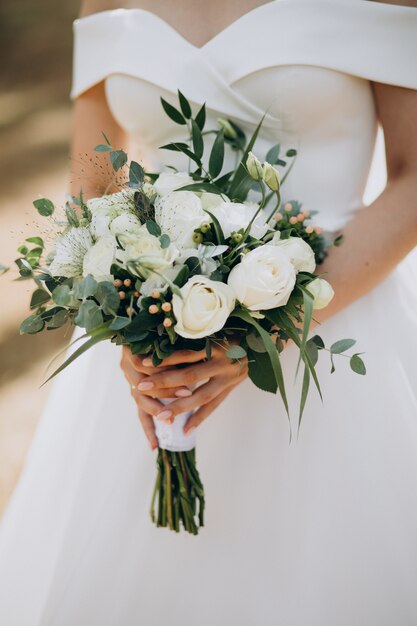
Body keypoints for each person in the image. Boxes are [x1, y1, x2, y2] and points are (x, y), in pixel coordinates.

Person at [1, 1, 417, 624]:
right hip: (157, 337)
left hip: (329, 329)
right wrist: (126, 316)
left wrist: (271, 327)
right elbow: (92, 182)